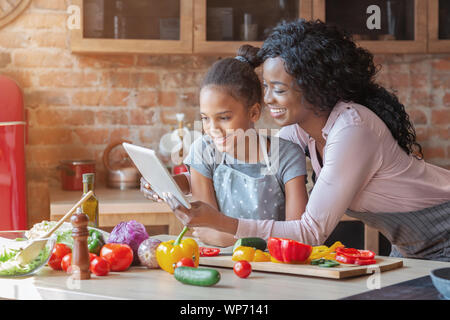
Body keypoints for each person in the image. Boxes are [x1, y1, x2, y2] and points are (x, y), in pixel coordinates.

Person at [146, 20, 450, 261]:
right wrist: (175, 185)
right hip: (413, 247)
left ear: (314, 85)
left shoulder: (353, 130)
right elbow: (244, 156)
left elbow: (309, 232)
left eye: (278, 88)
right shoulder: (298, 130)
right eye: (265, 86)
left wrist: (222, 223)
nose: (267, 99)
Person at [144, 46, 309, 247]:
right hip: (219, 265)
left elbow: (297, 239)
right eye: (205, 118)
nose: (213, 129)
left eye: (224, 118)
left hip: (274, 267)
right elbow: (205, 230)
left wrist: (220, 235)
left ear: (254, 113)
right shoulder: (203, 151)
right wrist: (167, 185)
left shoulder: (287, 156)